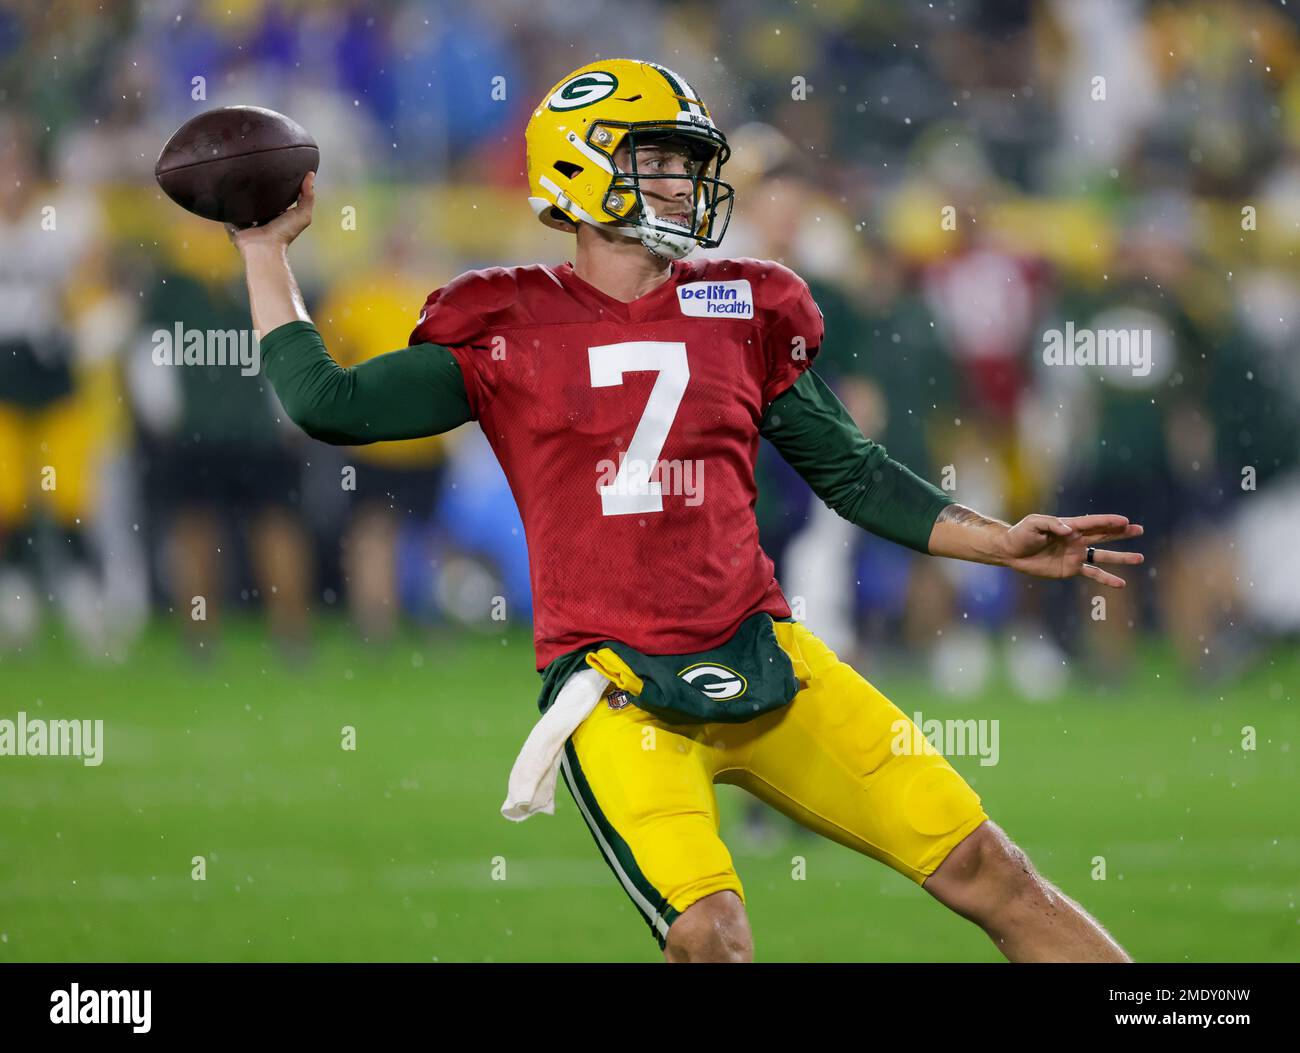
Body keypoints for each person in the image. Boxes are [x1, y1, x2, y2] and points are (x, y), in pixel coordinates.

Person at [228, 59, 1143, 962]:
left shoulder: (739, 304)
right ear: (581, 168)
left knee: (990, 867)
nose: (684, 182)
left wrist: (1001, 543)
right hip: (621, 693)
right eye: (658, 160)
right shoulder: (505, 321)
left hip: (765, 657)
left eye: (685, 162)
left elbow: (853, 473)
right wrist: (264, 252)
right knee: (711, 938)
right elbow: (329, 402)